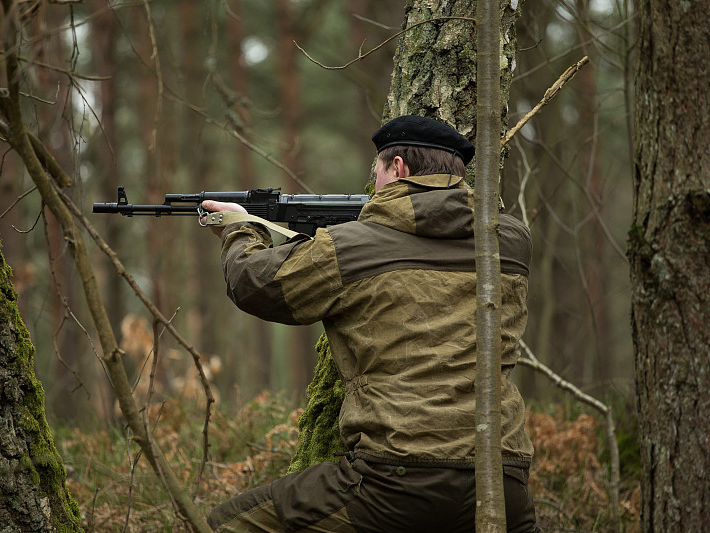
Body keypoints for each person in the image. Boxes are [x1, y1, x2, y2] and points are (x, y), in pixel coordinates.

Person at [201, 115, 539, 533]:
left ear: (397, 169)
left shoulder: (352, 248)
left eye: (376, 172)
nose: (373, 183)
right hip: (504, 479)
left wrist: (241, 227)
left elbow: (255, 283)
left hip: (397, 479)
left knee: (227, 525)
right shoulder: (512, 242)